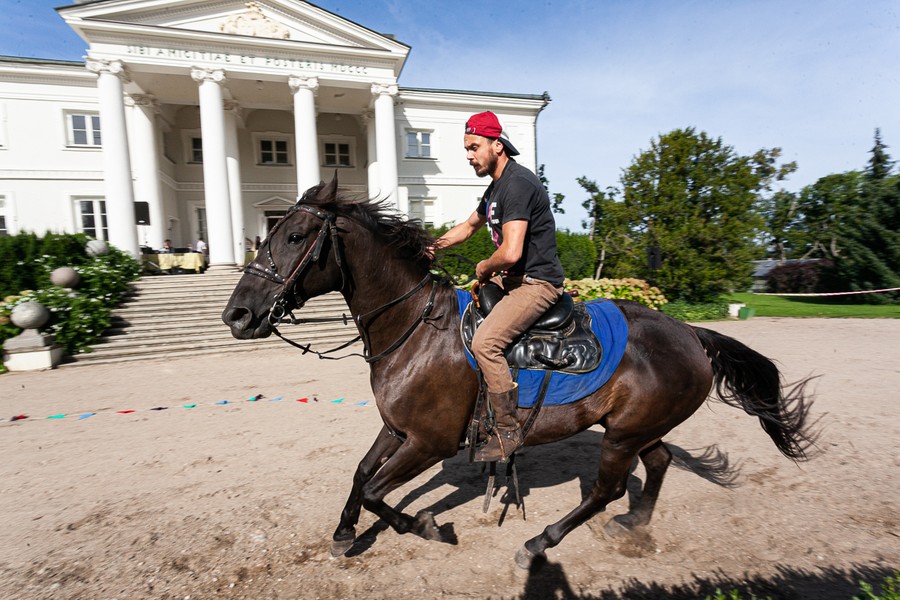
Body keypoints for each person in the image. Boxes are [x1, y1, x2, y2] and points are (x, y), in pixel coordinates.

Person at [430, 111, 565, 462]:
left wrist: (484, 267)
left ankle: (508, 430)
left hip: (537, 283)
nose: (469, 155)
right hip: (513, 280)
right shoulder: (496, 187)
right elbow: (467, 227)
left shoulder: (518, 184)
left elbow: (511, 252)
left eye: (474, 147)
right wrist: (431, 247)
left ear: (497, 146)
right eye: (467, 148)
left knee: (485, 343)